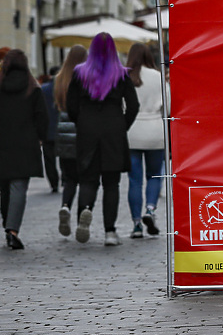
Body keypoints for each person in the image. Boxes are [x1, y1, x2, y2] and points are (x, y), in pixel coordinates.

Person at [67, 33, 139, 246]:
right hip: (113, 128)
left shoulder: (80, 73)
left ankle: (85, 211)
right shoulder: (121, 74)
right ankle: (110, 231)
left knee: (88, 178)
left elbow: (70, 106)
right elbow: (133, 106)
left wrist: (81, 122)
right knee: (111, 182)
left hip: (87, 127)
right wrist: (122, 125)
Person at [0, 50, 49, 249]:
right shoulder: (33, 89)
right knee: (18, 188)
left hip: (2, 143)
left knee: (4, 187)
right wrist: (40, 138)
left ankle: (6, 223)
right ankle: (12, 230)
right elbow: (42, 119)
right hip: (25, 144)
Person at [126, 43, 169, 238]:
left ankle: (136, 224)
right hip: (155, 132)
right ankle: (150, 210)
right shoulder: (158, 77)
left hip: (131, 131)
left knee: (134, 180)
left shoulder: (124, 77)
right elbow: (168, 108)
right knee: (154, 175)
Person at [53, 45, 87, 237]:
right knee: (85, 179)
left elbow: (58, 104)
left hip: (63, 129)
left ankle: (66, 206)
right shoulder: (85, 78)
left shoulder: (59, 78)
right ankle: (82, 214)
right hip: (82, 129)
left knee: (69, 178)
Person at [40, 66, 62, 193]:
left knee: (49, 159)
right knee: (66, 155)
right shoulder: (65, 88)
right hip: (63, 128)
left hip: (47, 129)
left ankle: (54, 182)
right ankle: (65, 178)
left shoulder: (44, 89)